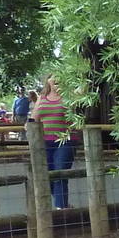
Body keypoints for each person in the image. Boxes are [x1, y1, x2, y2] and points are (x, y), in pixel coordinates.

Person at [32, 77, 76, 209]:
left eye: (60, 75)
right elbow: (34, 117)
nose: (57, 78)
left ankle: (60, 209)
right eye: (53, 76)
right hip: (45, 142)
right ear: (48, 80)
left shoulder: (70, 95)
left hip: (65, 141)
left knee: (60, 172)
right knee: (47, 176)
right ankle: (63, 204)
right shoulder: (42, 97)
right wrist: (28, 125)